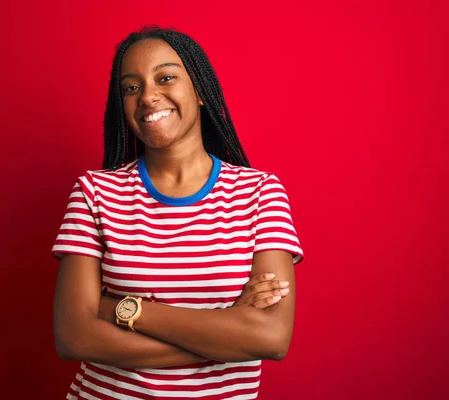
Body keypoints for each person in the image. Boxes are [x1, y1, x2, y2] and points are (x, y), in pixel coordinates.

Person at [51, 26, 304, 400]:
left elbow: (270, 338)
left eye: (165, 77)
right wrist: (224, 339)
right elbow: (73, 337)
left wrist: (124, 310)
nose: (149, 97)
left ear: (200, 89)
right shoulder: (94, 193)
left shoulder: (259, 193)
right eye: (131, 87)